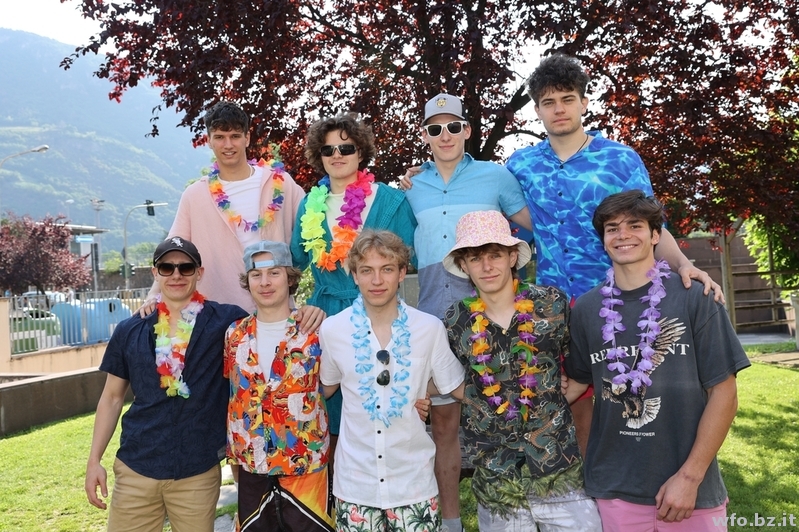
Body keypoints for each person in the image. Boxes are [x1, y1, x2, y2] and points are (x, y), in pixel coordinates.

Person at [505, 53, 723, 456]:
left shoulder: (619, 159)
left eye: (568, 99)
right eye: (549, 102)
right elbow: (489, 200)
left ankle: (642, 476)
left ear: (584, 103)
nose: (559, 109)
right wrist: (420, 176)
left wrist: (685, 265)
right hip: (553, 305)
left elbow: (651, 227)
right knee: (572, 401)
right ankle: (589, 485)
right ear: (537, 109)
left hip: (619, 299)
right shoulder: (521, 165)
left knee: (628, 399)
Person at [565, 190, 750, 531]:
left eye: (635, 225)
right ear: (603, 240)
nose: (623, 235)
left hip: (690, 492)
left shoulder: (695, 297)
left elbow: (725, 394)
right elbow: (575, 387)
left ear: (655, 236)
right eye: (612, 228)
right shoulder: (586, 310)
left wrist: (690, 478)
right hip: (615, 493)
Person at [401, 93, 532, 532]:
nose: (445, 135)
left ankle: (519, 513)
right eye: (435, 128)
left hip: (492, 311)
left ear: (467, 130)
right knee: (444, 427)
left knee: (510, 410)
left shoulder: (496, 176)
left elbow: (539, 226)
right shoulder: (411, 187)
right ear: (424, 135)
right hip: (435, 314)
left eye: (453, 126)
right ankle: (451, 522)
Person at [442, 210, 602, 532]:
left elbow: (581, 361)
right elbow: (444, 378)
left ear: (513, 257)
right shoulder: (455, 321)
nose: (486, 266)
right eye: (475, 258)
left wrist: (563, 393)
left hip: (558, 469)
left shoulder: (551, 304)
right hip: (498, 480)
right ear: (463, 265)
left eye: (495, 255)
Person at [85, 237, 248, 532]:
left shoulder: (227, 322)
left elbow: (271, 321)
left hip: (196, 472)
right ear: (155, 273)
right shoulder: (130, 329)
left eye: (186, 267)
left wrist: (306, 312)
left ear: (199, 272)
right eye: (167, 267)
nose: (176, 275)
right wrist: (94, 461)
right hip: (136, 469)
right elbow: (111, 398)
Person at [290, 112, 417, 462]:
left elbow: (413, 258)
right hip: (325, 316)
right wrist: (294, 310)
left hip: (380, 314)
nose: (337, 155)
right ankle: (333, 490)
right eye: (328, 149)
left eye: (345, 148)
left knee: (382, 404)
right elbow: (293, 263)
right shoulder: (309, 204)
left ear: (360, 152)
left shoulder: (390, 200)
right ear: (319, 155)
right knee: (327, 417)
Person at [318, 229, 465, 532]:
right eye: (366, 270)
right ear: (354, 276)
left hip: (414, 484)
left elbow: (454, 385)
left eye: (386, 269)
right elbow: (324, 387)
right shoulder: (333, 330)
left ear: (401, 273)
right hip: (355, 487)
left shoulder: (428, 328)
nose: (377, 280)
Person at [146, 101, 307, 313]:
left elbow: (311, 234)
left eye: (235, 136)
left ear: (247, 138)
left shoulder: (281, 183)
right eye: (220, 137)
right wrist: (153, 295)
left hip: (276, 309)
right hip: (218, 314)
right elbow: (174, 251)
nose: (228, 145)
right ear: (209, 141)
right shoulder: (195, 195)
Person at [224, 240, 334, 531]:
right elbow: (237, 396)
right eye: (256, 275)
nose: (265, 282)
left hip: (305, 468)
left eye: (274, 273)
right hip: (252, 469)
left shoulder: (316, 331)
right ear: (247, 281)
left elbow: (329, 387)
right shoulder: (234, 335)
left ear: (290, 278)